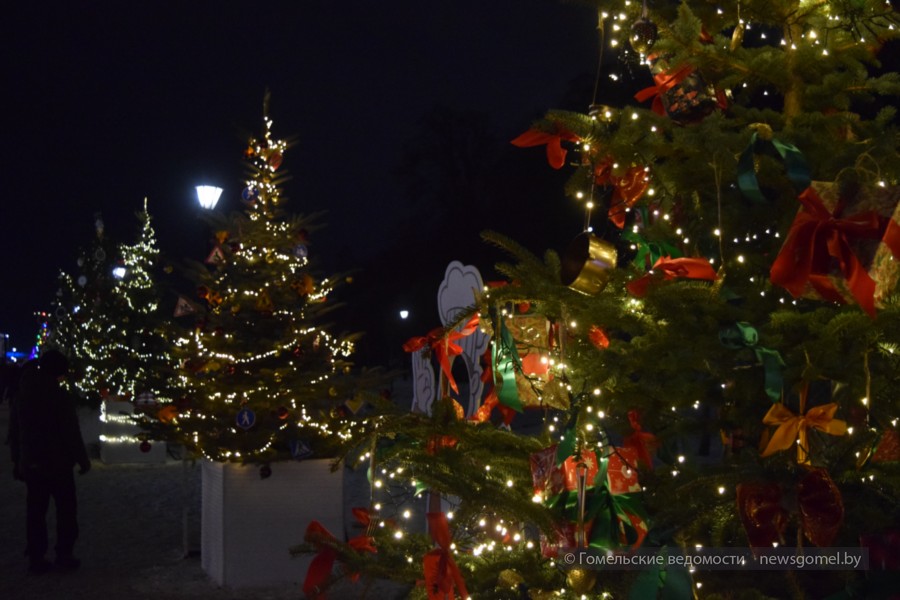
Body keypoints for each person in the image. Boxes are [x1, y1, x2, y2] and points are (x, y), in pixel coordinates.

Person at [8, 350, 91, 575]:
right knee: (66, 509)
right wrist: (82, 459)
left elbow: (14, 432)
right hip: (58, 462)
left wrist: (18, 460)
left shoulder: (22, 393)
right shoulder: (58, 395)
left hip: (33, 461)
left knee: (35, 510)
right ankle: (64, 554)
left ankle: (36, 556)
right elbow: (70, 431)